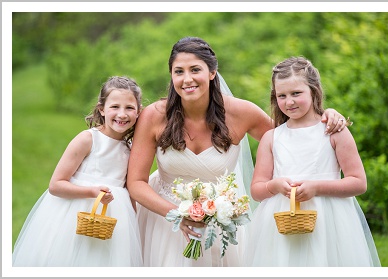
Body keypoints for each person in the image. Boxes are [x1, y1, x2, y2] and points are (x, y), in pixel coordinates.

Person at [127, 37, 350, 267]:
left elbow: (291, 136)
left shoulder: (241, 112)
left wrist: (327, 114)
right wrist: (177, 214)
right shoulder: (154, 116)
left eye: (195, 70)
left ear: (212, 72)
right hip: (163, 221)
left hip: (220, 223)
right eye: (178, 71)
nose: (187, 79)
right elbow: (135, 183)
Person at [245, 57, 380, 266]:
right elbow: (257, 189)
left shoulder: (334, 131)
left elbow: (358, 182)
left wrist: (316, 187)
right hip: (281, 220)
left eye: (296, 93)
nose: (289, 102)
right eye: (282, 95)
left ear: (313, 91)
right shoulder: (272, 138)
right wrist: (274, 185)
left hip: (329, 220)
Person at [13, 76, 144, 266]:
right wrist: (92, 192)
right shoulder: (88, 139)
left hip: (114, 217)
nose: (122, 114)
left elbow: (130, 187)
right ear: (102, 109)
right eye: (115, 107)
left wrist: (133, 221)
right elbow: (56, 185)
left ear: (139, 112)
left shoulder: (131, 147)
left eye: (129, 108)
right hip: (74, 214)